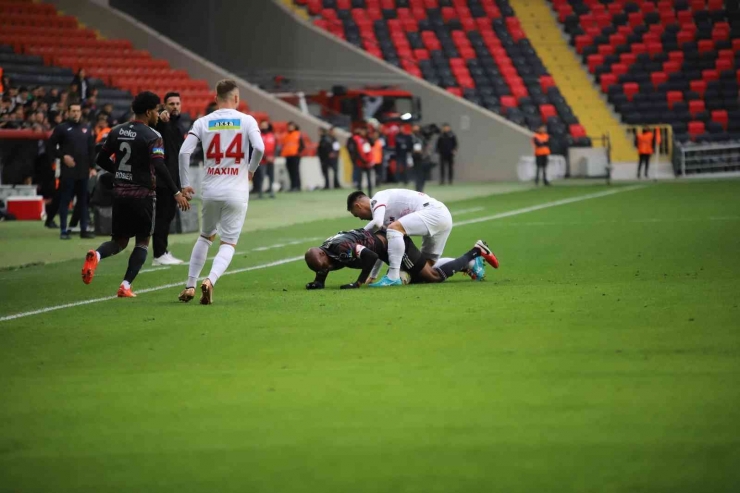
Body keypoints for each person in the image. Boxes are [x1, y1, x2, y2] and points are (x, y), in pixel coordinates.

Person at [80, 91, 190, 297]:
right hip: (143, 196)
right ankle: (126, 285)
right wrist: (176, 191)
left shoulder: (116, 130)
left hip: (120, 194)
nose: (159, 114)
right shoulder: (153, 136)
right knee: (142, 241)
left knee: (119, 241)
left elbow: (101, 158)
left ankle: (96, 254)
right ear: (148, 112)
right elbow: (159, 165)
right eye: (157, 110)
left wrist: (120, 172)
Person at [177, 79, 265, 305]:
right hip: (236, 191)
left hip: (211, 190)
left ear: (215, 99)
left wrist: (185, 183)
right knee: (228, 243)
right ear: (236, 98)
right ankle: (210, 280)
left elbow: (183, 153)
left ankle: (190, 285)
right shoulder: (247, 120)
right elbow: (260, 148)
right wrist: (251, 170)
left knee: (206, 236)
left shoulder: (202, 122)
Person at [346, 188, 497, 287]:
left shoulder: (377, 199)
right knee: (425, 268)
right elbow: (380, 246)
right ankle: (471, 261)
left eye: (356, 214)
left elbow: (377, 223)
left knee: (393, 229)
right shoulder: (383, 212)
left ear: (358, 206)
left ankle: (393, 277)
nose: (359, 218)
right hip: (441, 216)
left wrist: (354, 236)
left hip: (433, 213)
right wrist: (372, 276)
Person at [304, 229, 496, 289]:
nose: (327, 267)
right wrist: (318, 282)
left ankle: (475, 252)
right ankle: (468, 264)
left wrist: (358, 283)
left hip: (393, 243)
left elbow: (370, 256)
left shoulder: (340, 248)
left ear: (323, 254)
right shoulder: (325, 254)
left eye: (326, 265)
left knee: (432, 277)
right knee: (420, 277)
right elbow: (323, 266)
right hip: (385, 249)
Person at [47, 102, 96, 239]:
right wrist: (63, 157)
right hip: (68, 171)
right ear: (68, 112)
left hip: (83, 171)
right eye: (73, 111)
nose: (76, 113)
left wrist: (92, 166)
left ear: (81, 112)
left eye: (78, 111)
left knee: (83, 201)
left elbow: (91, 148)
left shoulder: (86, 128)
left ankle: (83, 229)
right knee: (65, 200)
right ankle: (63, 230)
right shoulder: (62, 128)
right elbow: (50, 146)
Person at [152, 91, 186, 265]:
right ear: (164, 106)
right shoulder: (161, 123)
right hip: (164, 178)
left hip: (175, 177)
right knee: (163, 216)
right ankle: (158, 254)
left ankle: (162, 250)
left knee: (169, 215)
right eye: (171, 104)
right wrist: (161, 119)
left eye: (177, 103)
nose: (175, 107)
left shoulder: (179, 126)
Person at [253, 120, 277, 198]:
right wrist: (265, 157)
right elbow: (257, 147)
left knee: (271, 176)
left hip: (271, 159)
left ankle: (271, 191)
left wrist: (273, 156)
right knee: (261, 176)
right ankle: (260, 192)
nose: (263, 126)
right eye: (262, 125)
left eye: (265, 125)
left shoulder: (272, 135)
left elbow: (276, 147)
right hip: (262, 160)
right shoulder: (258, 136)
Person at [347, 126, 372, 196]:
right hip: (359, 162)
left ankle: (370, 194)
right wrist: (360, 159)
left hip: (367, 162)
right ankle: (360, 196)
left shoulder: (366, 139)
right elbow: (355, 151)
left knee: (369, 180)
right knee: (359, 180)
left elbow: (371, 145)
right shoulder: (355, 139)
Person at [281, 121, 303, 192]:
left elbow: (302, 145)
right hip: (288, 156)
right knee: (290, 171)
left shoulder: (298, 134)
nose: (290, 127)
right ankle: (292, 186)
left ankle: (297, 186)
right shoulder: (286, 135)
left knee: (295, 171)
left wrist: (297, 152)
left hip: (295, 156)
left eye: (291, 126)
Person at [410, 125, 429, 192]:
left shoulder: (422, 138)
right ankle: (418, 188)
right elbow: (408, 147)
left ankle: (421, 187)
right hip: (415, 158)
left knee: (422, 174)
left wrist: (424, 153)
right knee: (417, 174)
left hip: (422, 158)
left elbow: (426, 146)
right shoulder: (411, 138)